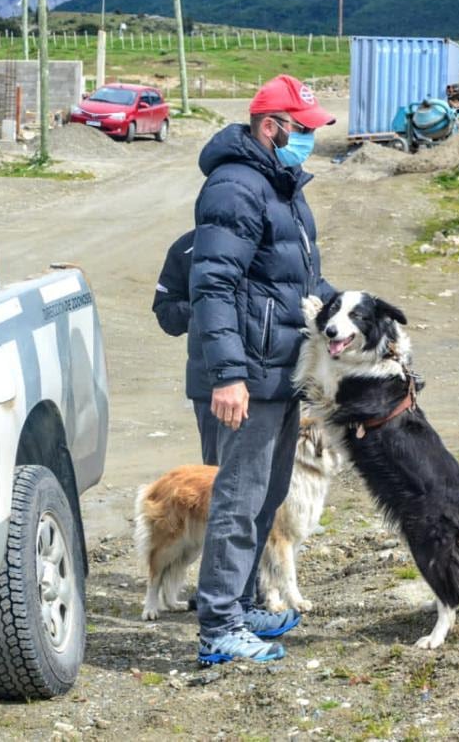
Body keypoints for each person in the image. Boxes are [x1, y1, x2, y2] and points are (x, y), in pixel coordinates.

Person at [189, 75, 338, 665]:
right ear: (270, 127)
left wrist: (350, 310)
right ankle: (219, 627)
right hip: (246, 376)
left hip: (281, 373)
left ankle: (245, 602)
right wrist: (228, 375)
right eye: (304, 130)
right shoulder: (235, 186)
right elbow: (213, 285)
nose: (311, 141)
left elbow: (299, 285)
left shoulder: (284, 189)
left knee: (269, 494)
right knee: (239, 497)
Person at [151, 230, 220, 466]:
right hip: (210, 385)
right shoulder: (185, 248)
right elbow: (165, 311)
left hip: (269, 383)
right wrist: (201, 310)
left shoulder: (269, 238)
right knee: (217, 476)